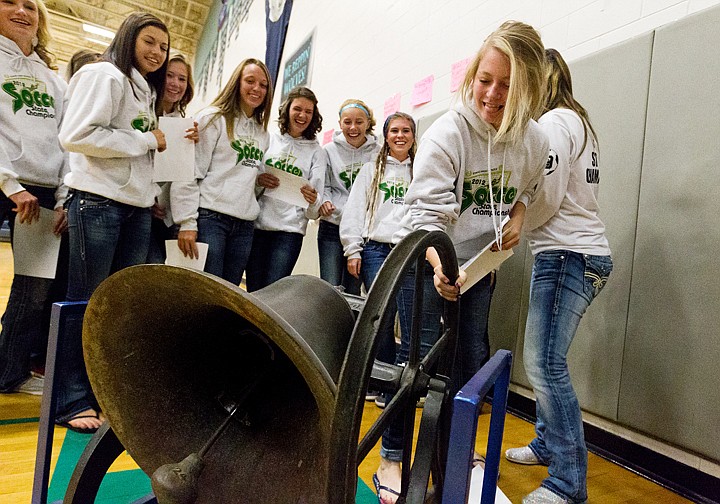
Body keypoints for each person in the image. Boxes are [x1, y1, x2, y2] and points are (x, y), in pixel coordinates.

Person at [379, 20, 549, 503]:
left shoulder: (535, 141)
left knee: (469, 365)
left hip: (479, 268)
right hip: (425, 259)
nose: (492, 94)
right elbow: (421, 218)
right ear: (472, 75)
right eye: (485, 79)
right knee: (419, 369)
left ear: (528, 90)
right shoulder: (447, 134)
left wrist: (517, 213)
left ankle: (459, 459)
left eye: (508, 86)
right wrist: (437, 264)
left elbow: (532, 187)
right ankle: (393, 456)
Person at [504, 48, 612, 504]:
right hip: (575, 253)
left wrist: (514, 215)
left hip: (566, 255)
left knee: (546, 365)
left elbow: (545, 199)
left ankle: (568, 484)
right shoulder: (577, 122)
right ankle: (548, 443)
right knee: (546, 359)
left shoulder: (551, 124)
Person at [57, 12, 170, 433]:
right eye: (149, 42)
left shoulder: (144, 90)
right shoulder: (104, 74)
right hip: (99, 204)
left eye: (163, 46)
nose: (157, 52)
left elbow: (140, 150)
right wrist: (145, 140)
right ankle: (70, 398)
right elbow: (77, 135)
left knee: (117, 307)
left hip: (136, 210)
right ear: (128, 39)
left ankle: (104, 390)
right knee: (86, 301)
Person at [0, 0, 68, 395]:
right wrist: (10, 183)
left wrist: (61, 196)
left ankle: (9, 371)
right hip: (7, 181)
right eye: (11, 2)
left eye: (31, 6)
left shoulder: (54, 80)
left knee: (34, 288)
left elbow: (65, 143)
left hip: (42, 191)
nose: (22, 11)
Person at [171, 58, 272, 284]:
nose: (257, 88)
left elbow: (242, 175)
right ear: (237, 83)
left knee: (229, 299)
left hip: (244, 225)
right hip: (211, 219)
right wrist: (186, 222)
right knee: (207, 294)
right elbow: (189, 171)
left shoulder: (262, 133)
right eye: (250, 81)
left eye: (263, 85)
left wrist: (259, 181)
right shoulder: (212, 118)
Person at [339, 111, 417, 401]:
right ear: (386, 136)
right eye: (394, 130)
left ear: (413, 136)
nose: (400, 135)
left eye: (406, 130)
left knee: (408, 317)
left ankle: (400, 385)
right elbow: (355, 209)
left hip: (407, 250)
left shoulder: (420, 170)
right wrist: (352, 248)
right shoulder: (372, 169)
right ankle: (381, 379)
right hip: (375, 249)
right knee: (380, 317)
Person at [245, 86, 326, 292]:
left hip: (289, 232)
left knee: (273, 292)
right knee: (253, 290)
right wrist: (259, 180)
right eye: (298, 109)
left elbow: (315, 208)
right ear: (287, 109)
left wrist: (312, 199)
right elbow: (249, 181)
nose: (302, 115)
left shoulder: (317, 151)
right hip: (258, 226)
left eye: (308, 111)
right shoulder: (269, 139)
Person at [318, 99, 379, 296]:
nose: (353, 127)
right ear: (340, 124)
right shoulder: (328, 150)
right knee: (331, 289)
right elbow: (324, 185)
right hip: (332, 226)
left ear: (368, 123)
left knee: (353, 292)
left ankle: (350, 328)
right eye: (347, 122)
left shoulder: (378, 152)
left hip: (361, 230)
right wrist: (325, 200)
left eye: (359, 122)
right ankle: (329, 328)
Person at [147, 51, 197, 265]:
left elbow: (182, 176)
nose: (175, 83)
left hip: (166, 219)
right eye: (170, 75)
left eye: (182, 79)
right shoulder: (142, 112)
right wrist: (148, 198)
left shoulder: (185, 125)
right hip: (137, 209)